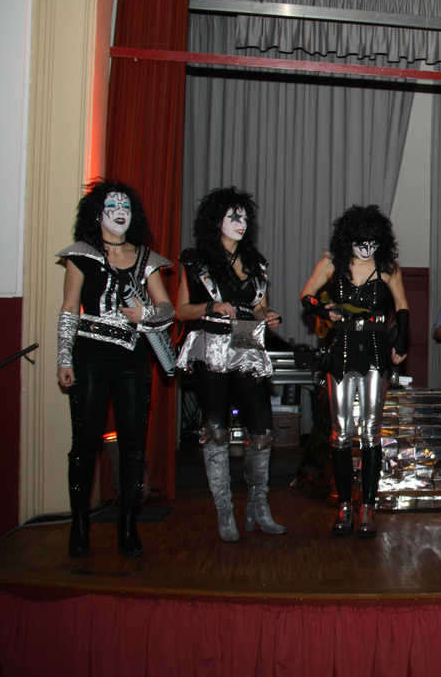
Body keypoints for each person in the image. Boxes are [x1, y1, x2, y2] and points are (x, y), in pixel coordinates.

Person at [57, 180, 174, 558]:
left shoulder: (146, 259)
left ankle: (128, 525)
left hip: (132, 358)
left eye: (126, 206)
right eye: (112, 206)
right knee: (85, 442)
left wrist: (146, 314)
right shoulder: (82, 254)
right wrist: (64, 358)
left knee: (133, 444)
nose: (120, 212)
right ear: (98, 214)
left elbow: (167, 308)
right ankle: (79, 526)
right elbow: (69, 308)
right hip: (90, 356)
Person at [175, 187, 286, 543]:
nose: (241, 222)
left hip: (246, 345)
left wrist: (268, 316)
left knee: (262, 430)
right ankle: (225, 511)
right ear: (216, 221)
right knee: (216, 429)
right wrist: (210, 307)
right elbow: (180, 310)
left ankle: (258, 507)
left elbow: (259, 308)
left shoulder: (257, 262)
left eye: (244, 217)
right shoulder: (196, 261)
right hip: (211, 348)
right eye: (233, 216)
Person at [300, 205, 409, 538]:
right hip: (342, 349)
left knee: (371, 431)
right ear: (349, 239)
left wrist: (401, 342)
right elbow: (306, 295)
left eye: (373, 242)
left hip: (375, 350)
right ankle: (345, 505)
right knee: (341, 432)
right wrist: (324, 309)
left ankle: (368, 507)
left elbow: (402, 306)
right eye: (361, 242)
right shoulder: (332, 263)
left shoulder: (387, 267)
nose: (367, 249)